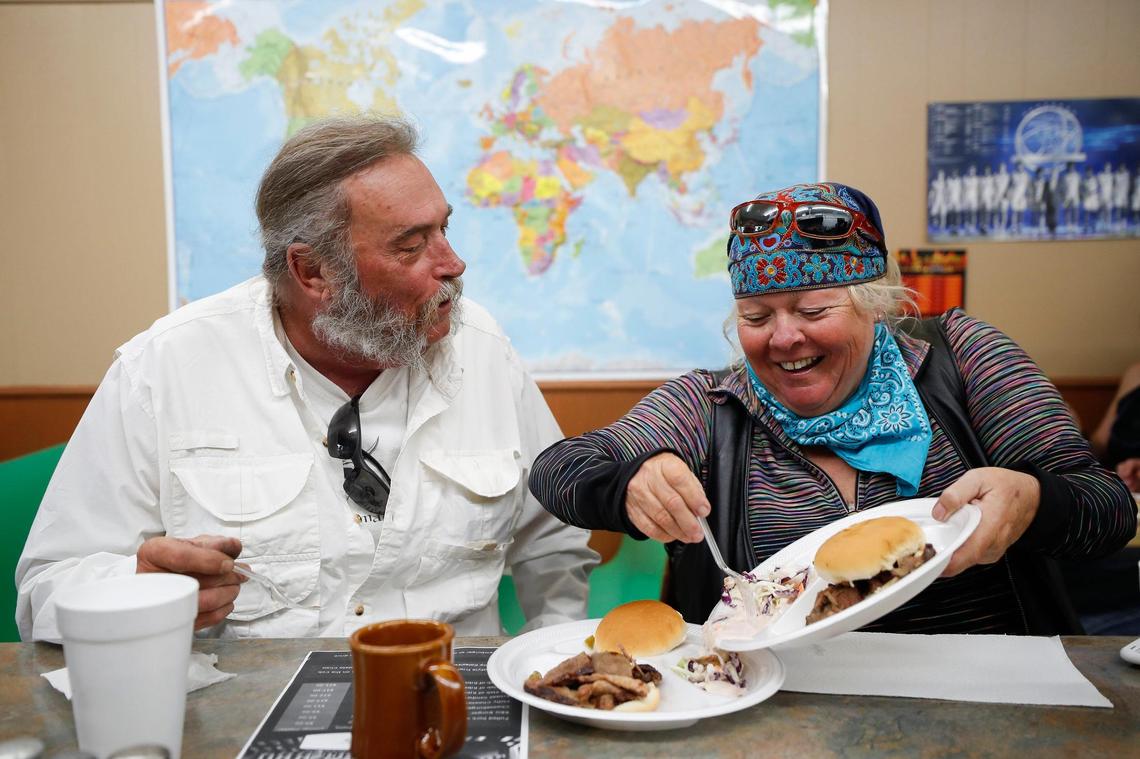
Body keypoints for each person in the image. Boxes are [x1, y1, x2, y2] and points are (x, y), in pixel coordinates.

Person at [16, 115, 598, 642]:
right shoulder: (164, 368)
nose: (452, 263)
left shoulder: (484, 351)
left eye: (444, 230)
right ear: (313, 270)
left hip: (452, 699)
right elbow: (46, 588)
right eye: (411, 245)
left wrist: (552, 658)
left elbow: (554, 539)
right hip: (243, 715)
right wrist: (137, 588)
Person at [528, 182, 1136, 634]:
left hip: (989, 696)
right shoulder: (711, 406)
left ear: (876, 305)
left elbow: (1106, 511)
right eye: (756, 317)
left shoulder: (963, 358)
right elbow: (558, 469)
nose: (784, 338)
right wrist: (625, 483)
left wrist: (1035, 501)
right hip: (774, 710)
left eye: (813, 311)